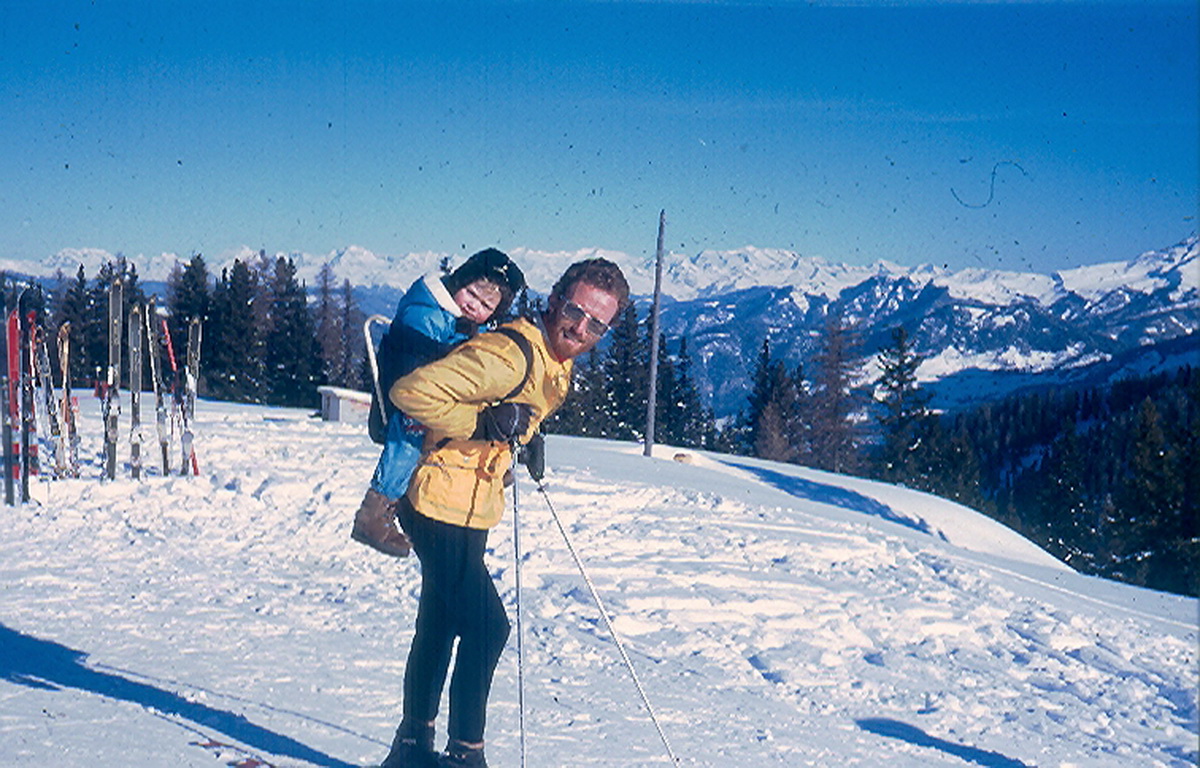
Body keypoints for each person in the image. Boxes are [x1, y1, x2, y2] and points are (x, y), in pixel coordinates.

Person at [378, 258, 630, 768]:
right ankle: (464, 756)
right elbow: (410, 393)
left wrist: (525, 435)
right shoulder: (508, 355)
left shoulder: (552, 360)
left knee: (441, 620)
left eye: (596, 324)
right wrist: (486, 425)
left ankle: (412, 748)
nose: (581, 329)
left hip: (470, 502)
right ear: (555, 298)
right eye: (575, 311)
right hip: (436, 500)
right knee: (489, 626)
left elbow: (520, 408)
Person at [351, 248, 526, 558]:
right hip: (404, 392)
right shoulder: (427, 310)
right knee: (411, 431)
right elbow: (422, 360)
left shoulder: (468, 320)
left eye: (486, 305)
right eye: (471, 293)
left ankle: (490, 465)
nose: (474, 305)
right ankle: (374, 512)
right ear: (460, 281)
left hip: (438, 392)